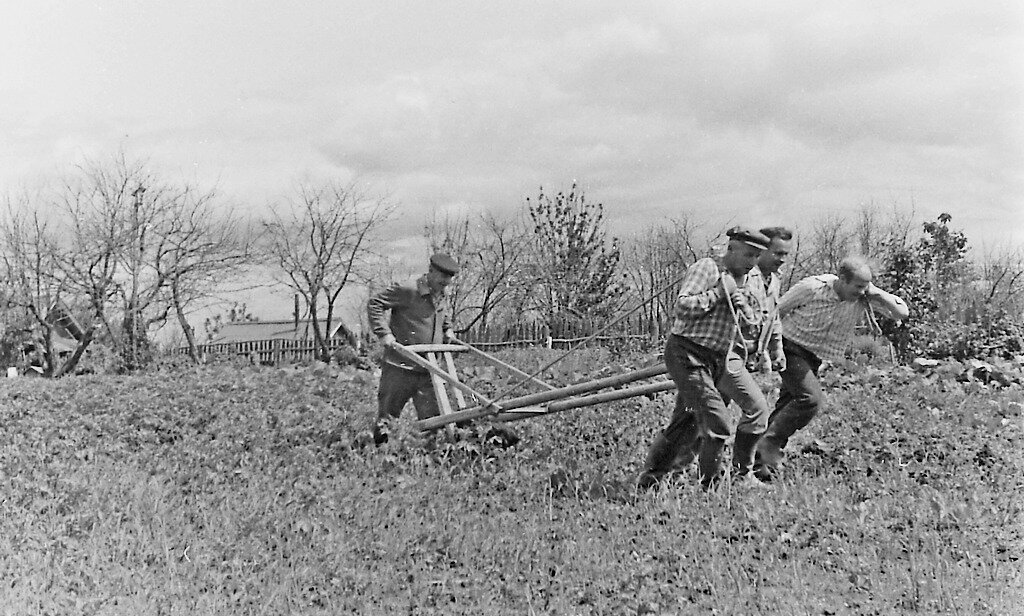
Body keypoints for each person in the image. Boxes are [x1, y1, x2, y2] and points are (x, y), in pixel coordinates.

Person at [638, 226, 771, 491]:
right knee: (718, 423)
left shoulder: (751, 279)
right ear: (731, 249)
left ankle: (653, 480)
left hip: (720, 358)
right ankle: (710, 487)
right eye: (748, 254)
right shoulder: (708, 268)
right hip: (688, 353)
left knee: (689, 420)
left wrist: (744, 306)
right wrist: (719, 293)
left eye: (757, 256)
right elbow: (682, 307)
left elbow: (755, 320)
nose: (752, 262)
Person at [753, 256, 909, 481]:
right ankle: (769, 444)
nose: (861, 291)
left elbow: (901, 313)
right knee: (810, 399)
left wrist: (876, 293)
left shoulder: (863, 297)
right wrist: (767, 349)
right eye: (858, 286)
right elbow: (777, 311)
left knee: (788, 405)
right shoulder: (813, 288)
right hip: (790, 347)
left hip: (814, 357)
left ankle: (758, 461)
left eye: (865, 286)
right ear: (842, 279)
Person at [669, 226, 794, 482]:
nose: (781, 259)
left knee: (698, 416)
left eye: (785, 254)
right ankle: (700, 476)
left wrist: (774, 349)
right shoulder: (739, 275)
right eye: (776, 253)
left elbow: (768, 318)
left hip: (731, 357)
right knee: (712, 417)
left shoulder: (772, 280)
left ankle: (688, 474)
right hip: (720, 355)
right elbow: (690, 309)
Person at [366, 252, 460, 444]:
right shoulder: (408, 290)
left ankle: (427, 457)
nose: (446, 282)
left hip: (429, 370)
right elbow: (374, 304)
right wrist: (384, 334)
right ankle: (379, 455)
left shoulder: (441, 294)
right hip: (400, 368)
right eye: (443, 276)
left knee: (433, 422)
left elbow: (443, 315)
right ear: (431, 271)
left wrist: (448, 329)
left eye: (449, 278)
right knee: (387, 420)